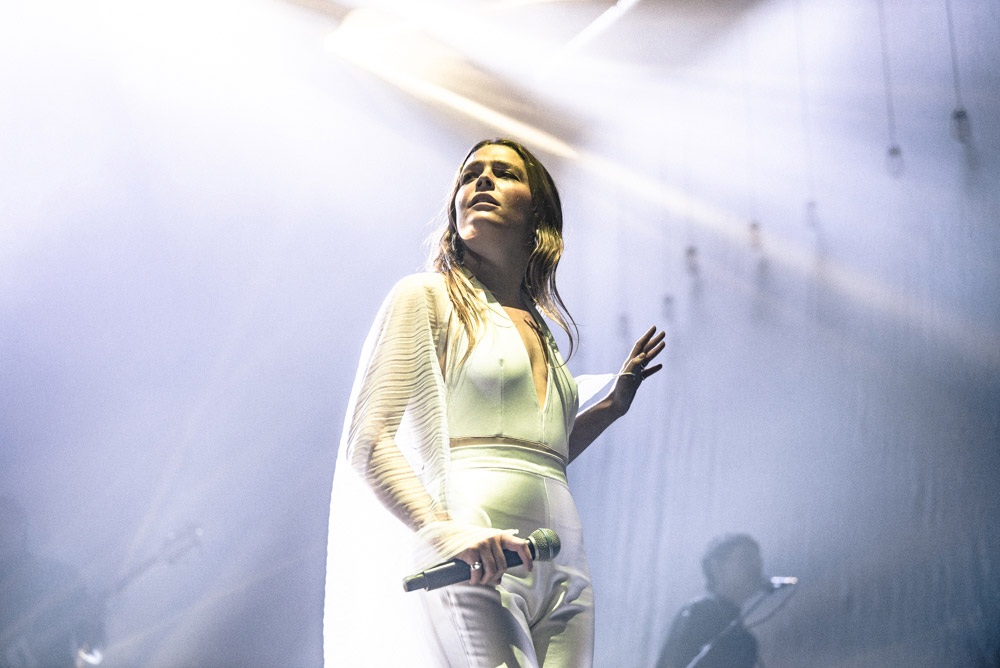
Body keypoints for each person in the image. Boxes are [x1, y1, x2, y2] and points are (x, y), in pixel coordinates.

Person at [323, 138, 665, 667]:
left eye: (502, 172)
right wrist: (444, 532)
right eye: (469, 175)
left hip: (562, 557)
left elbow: (539, 454)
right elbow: (368, 443)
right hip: (472, 543)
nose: (480, 181)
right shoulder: (426, 296)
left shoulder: (543, 327)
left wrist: (610, 408)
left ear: (538, 214)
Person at [0, 496, 105, 668]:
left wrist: (92, 627)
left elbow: (93, 652)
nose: (2, 532)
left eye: (6, 523)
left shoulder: (60, 576)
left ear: (21, 526)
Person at [655, 534, 763, 668]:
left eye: (758, 560)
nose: (756, 567)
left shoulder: (743, 636)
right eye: (746, 558)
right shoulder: (699, 612)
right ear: (716, 567)